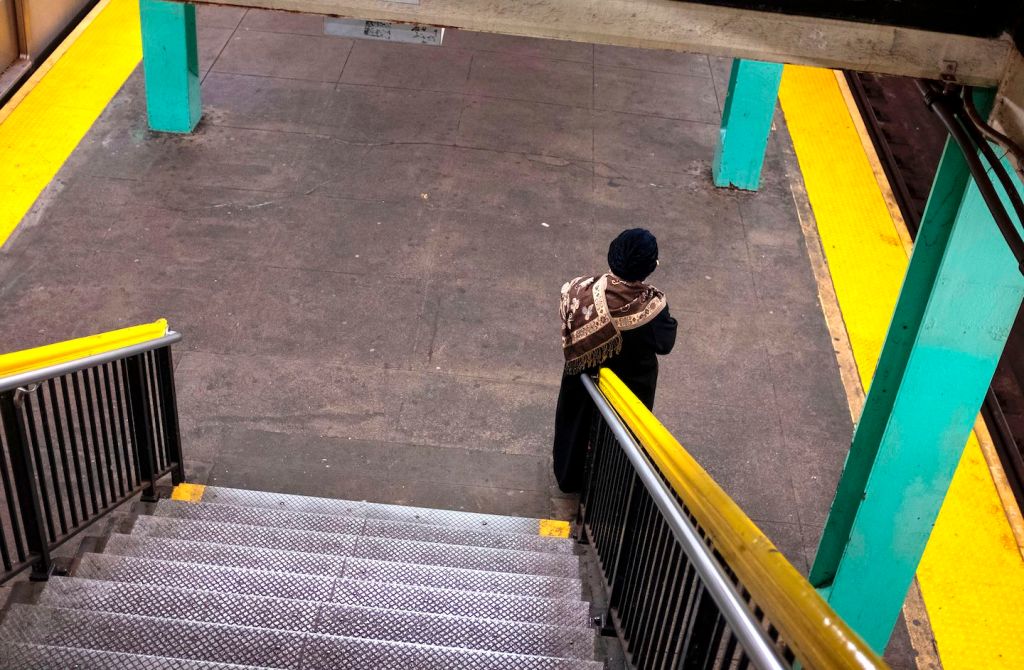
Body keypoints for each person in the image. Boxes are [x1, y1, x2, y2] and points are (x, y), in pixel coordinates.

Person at [552, 228, 677, 493]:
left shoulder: (579, 289)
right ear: (649, 268)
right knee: (619, 438)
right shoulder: (651, 308)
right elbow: (665, 343)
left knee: (575, 428)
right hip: (627, 387)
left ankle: (568, 477)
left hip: (582, 378)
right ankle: (609, 489)